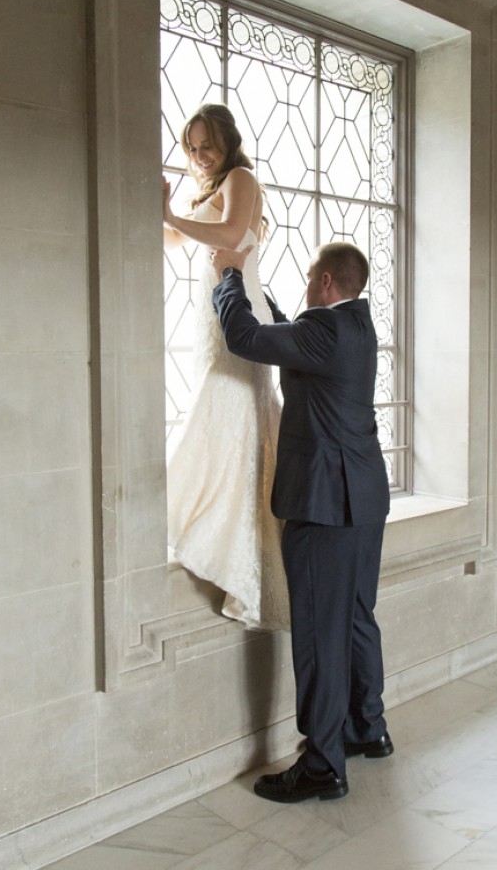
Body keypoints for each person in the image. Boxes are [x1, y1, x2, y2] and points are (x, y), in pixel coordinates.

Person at [210, 240, 393, 803]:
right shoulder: (357, 327)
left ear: (328, 284)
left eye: (311, 276)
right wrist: (263, 297)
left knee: (319, 633)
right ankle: (368, 729)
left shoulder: (326, 329)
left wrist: (228, 280)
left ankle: (322, 763)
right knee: (358, 617)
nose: (307, 283)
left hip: (324, 504)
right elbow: (300, 344)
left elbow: (243, 339)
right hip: (363, 498)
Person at [162, 103, 289, 631]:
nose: (198, 155)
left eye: (206, 144)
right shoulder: (205, 192)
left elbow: (234, 233)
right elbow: (172, 238)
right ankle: (226, 530)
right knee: (225, 412)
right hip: (213, 320)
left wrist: (170, 216)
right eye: (191, 146)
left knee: (232, 406)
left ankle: (238, 546)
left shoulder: (241, 177)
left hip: (237, 314)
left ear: (228, 142)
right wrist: (161, 206)